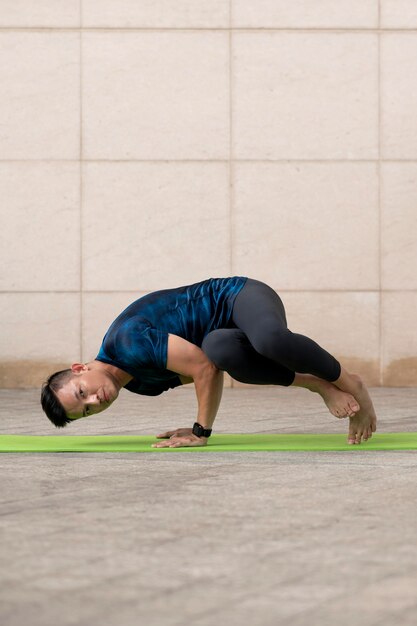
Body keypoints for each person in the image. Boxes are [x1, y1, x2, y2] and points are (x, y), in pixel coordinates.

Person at [41, 277, 377, 448]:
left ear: (79, 369)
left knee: (269, 340)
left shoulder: (126, 343)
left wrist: (201, 431)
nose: (95, 401)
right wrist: (195, 423)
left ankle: (351, 384)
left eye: (82, 392)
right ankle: (320, 385)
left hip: (237, 297)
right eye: (86, 409)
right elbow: (208, 367)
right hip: (222, 335)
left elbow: (201, 370)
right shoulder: (139, 385)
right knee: (222, 351)